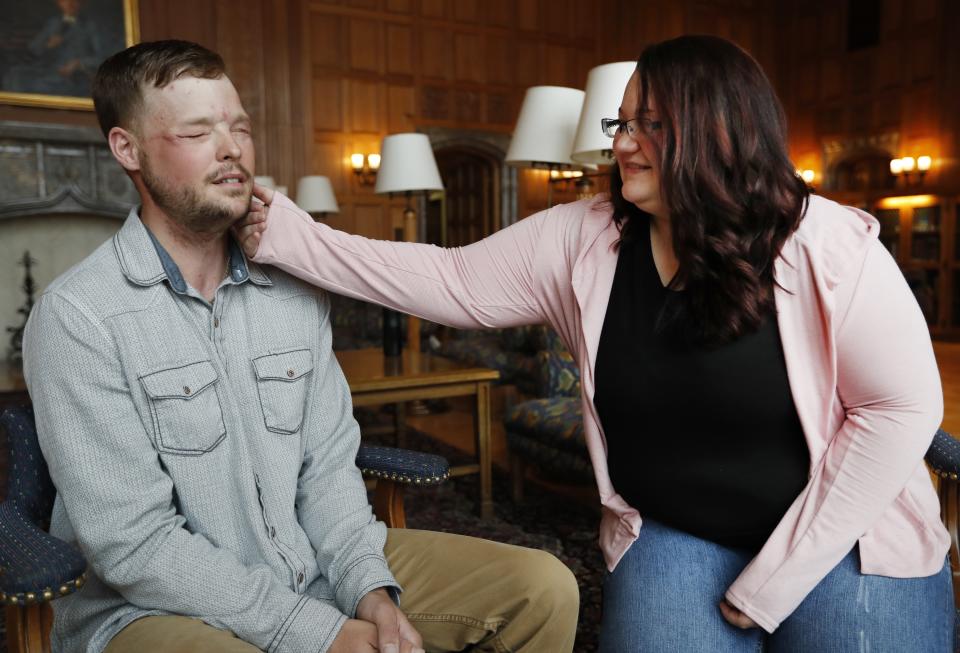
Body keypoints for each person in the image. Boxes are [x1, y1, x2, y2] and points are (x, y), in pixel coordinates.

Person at [236, 35, 955, 651]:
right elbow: (448, 278)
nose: (621, 142)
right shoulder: (585, 236)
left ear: (720, 131)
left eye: (651, 124)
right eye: (622, 121)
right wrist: (293, 237)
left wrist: (780, 576)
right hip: (677, 529)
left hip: (837, 532)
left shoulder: (827, 242)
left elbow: (900, 410)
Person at [23, 40, 579, 653]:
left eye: (240, 127)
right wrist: (319, 633)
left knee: (543, 588)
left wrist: (370, 592)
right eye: (197, 132)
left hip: (313, 566)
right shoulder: (77, 317)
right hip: (150, 608)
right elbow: (136, 545)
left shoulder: (292, 291)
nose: (232, 148)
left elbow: (330, 473)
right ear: (126, 148)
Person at [4, 0, 103, 96]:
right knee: (14, 75)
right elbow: (33, 49)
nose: (70, 3)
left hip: (73, 76)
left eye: (75, 0)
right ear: (59, 2)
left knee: (40, 85)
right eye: (64, 0)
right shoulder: (53, 23)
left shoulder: (90, 26)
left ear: (81, 3)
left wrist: (78, 63)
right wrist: (47, 45)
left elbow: (101, 57)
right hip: (47, 70)